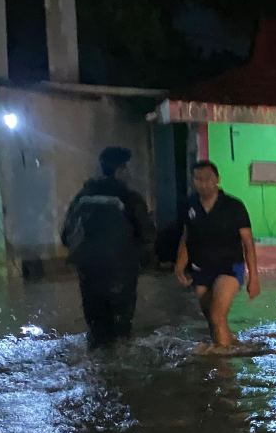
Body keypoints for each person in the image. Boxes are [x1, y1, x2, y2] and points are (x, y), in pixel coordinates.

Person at [61, 146, 154, 348]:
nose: (129, 173)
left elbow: (66, 235)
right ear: (120, 170)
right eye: (126, 168)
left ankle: (97, 372)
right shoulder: (129, 198)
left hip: (89, 272)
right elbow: (146, 234)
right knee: (121, 332)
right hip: (121, 272)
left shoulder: (82, 196)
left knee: (96, 330)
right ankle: (119, 374)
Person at [173, 161, 261, 347]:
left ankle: (223, 368)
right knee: (212, 321)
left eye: (208, 179)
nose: (203, 184)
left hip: (229, 268)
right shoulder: (190, 205)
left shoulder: (234, 206)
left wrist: (254, 278)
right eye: (198, 179)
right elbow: (187, 237)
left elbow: (248, 243)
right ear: (193, 180)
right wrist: (180, 266)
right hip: (201, 268)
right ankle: (233, 347)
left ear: (217, 179)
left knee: (217, 314)